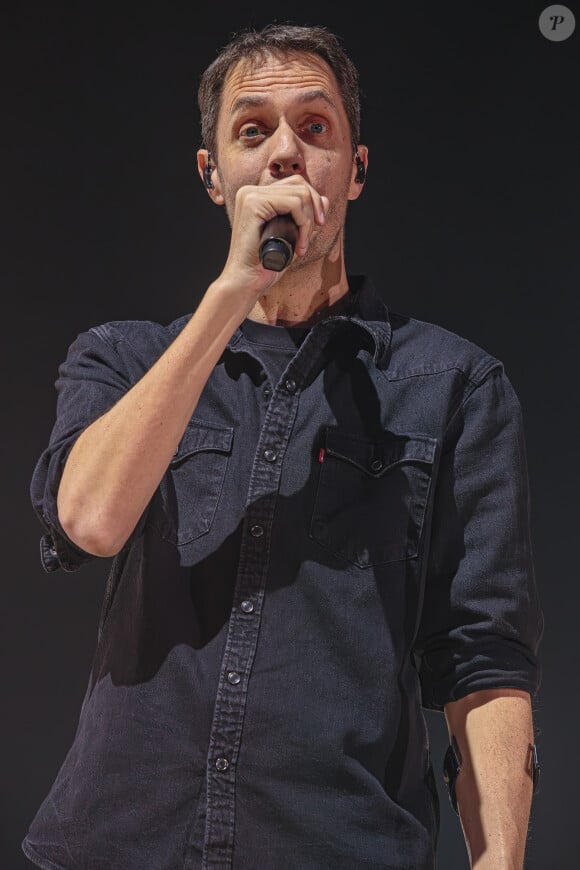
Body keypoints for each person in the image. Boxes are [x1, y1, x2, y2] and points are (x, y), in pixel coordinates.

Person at [22, 22, 543, 870]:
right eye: (252, 130)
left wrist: (501, 862)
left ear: (357, 170)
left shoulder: (455, 385)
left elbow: (483, 655)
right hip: (118, 846)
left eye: (315, 127)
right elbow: (88, 519)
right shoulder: (123, 358)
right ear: (213, 176)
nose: (285, 155)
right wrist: (233, 293)